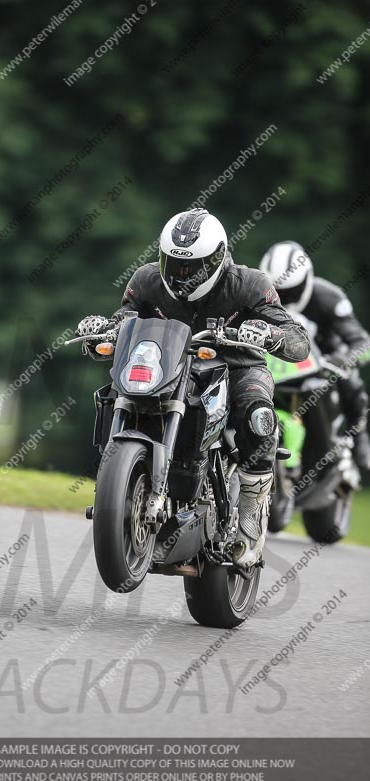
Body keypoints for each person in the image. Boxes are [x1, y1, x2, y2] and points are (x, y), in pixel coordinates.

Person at [76, 209, 310, 568]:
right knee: (114, 392)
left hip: (238, 366)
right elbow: (125, 319)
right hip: (167, 364)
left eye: (192, 267)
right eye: (174, 264)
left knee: (260, 418)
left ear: (217, 258)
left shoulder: (250, 283)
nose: (181, 275)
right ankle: (125, 483)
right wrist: (104, 330)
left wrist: (269, 334)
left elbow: (298, 342)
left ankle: (251, 512)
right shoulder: (147, 280)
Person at [259, 241, 370, 470]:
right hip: (276, 368)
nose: (285, 299)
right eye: (279, 292)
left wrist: (345, 359)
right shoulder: (257, 296)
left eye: (291, 291)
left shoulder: (329, 297)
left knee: (352, 381)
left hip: (324, 365)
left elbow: (362, 342)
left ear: (307, 279)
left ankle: (359, 436)